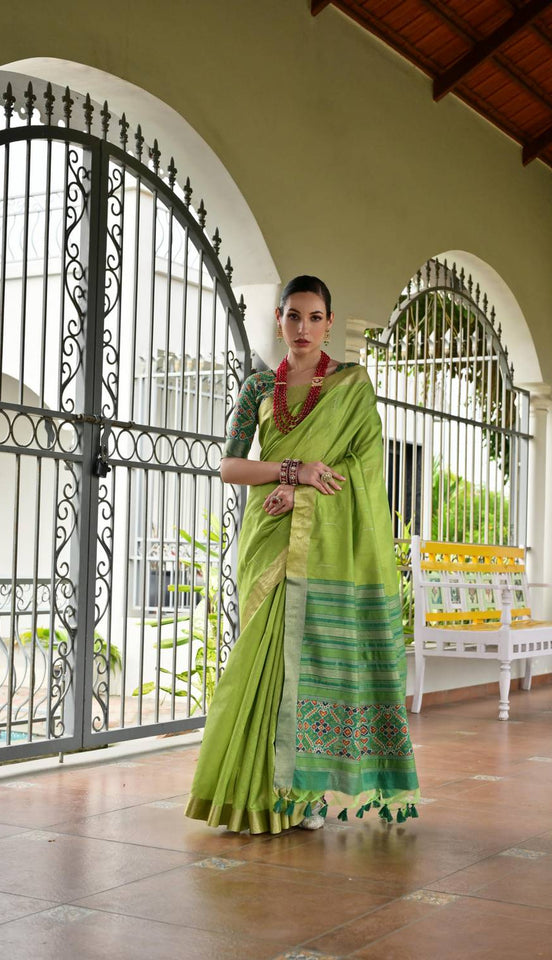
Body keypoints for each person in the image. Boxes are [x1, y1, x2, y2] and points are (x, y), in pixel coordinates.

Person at [185, 275, 420, 833]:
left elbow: (363, 466)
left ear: (329, 323)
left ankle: (306, 794)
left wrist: (308, 487)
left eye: (315, 317)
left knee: (311, 664)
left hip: (323, 542)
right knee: (262, 663)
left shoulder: (351, 386)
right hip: (268, 536)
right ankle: (256, 793)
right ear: (278, 318)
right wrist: (290, 472)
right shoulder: (256, 389)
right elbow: (229, 466)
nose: (303, 328)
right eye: (294, 316)